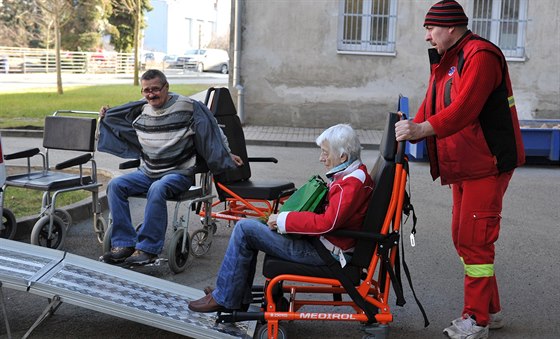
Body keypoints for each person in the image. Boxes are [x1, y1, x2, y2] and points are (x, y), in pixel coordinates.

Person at [395, 1, 525, 339]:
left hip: (487, 163)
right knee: (463, 237)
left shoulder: (480, 56)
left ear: (451, 28)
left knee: (475, 240)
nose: (427, 36)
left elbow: (464, 110)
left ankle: (476, 319)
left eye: (431, 29)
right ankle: (491, 311)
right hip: (466, 164)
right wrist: (409, 125)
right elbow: (432, 101)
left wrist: (421, 131)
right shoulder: (449, 58)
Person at [188, 124, 374, 313]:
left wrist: (285, 220)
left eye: (325, 153)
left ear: (342, 156)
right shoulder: (353, 175)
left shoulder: (350, 184)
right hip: (324, 245)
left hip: (324, 252)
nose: (321, 158)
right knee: (247, 228)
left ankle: (226, 297)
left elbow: (328, 223)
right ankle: (230, 292)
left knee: (244, 229)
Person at [99, 69, 243, 265]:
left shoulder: (188, 107)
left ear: (166, 87)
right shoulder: (141, 109)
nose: (151, 94)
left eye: (156, 89)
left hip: (179, 173)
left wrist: (226, 153)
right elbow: (118, 121)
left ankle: (148, 248)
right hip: (148, 171)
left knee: (157, 188)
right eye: (146, 90)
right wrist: (107, 115)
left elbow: (213, 129)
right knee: (116, 185)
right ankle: (124, 243)